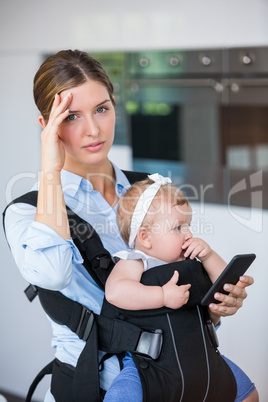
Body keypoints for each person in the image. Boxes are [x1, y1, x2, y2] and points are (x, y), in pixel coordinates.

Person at [3, 49, 258, 402]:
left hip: (179, 370)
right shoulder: (25, 212)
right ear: (48, 125)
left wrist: (215, 307)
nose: (93, 130)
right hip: (97, 385)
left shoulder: (152, 190)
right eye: (72, 116)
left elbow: (178, 278)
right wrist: (50, 168)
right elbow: (54, 275)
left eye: (102, 109)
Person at [105, 174, 258, 401]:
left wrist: (208, 255)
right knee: (122, 396)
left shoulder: (190, 261)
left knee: (248, 395)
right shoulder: (135, 261)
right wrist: (162, 295)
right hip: (150, 365)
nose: (188, 234)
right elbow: (115, 292)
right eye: (178, 227)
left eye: (188, 225)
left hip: (202, 355)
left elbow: (224, 282)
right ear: (145, 237)